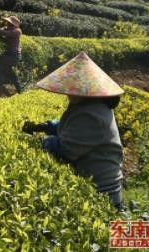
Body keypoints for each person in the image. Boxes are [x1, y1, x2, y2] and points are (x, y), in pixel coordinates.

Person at [22, 52, 125, 210]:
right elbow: (71, 127)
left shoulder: (92, 115)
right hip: (98, 184)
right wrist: (46, 126)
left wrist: (44, 142)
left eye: (74, 87)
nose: (69, 92)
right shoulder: (90, 105)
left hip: (103, 192)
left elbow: (67, 149)